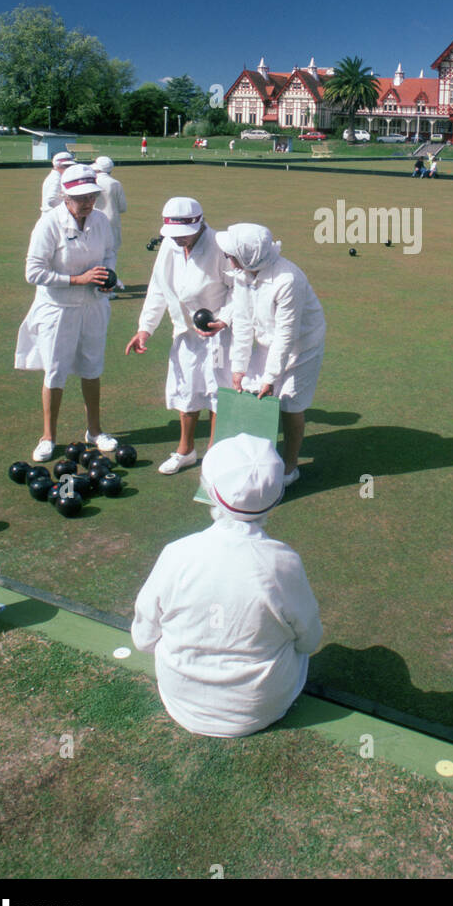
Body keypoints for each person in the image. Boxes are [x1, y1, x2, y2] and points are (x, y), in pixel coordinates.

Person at [131, 433, 322, 738]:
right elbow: (309, 642)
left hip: (181, 699)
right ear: (277, 496)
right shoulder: (284, 562)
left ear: (209, 490)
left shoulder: (177, 553)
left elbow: (143, 639)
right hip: (262, 705)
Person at [15, 163, 118, 462]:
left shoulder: (99, 220)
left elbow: (109, 252)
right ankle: (48, 436)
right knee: (56, 370)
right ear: (65, 197)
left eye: (92, 196)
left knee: (92, 367)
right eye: (81, 197)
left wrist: (107, 277)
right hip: (57, 310)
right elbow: (33, 272)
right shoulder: (48, 224)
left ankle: (95, 431)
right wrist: (77, 280)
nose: (88, 202)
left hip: (94, 306)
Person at [125, 198, 234, 474]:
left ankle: (214, 452)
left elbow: (239, 289)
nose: (178, 240)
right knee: (186, 389)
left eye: (183, 234)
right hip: (185, 332)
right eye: (173, 235)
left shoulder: (221, 247)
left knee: (218, 392)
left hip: (218, 333)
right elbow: (158, 287)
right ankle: (185, 450)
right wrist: (145, 328)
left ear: (199, 224)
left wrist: (224, 319)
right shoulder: (171, 245)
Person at [220, 223, 325, 487]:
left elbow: (286, 335)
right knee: (253, 390)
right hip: (270, 340)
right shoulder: (242, 273)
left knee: (290, 403)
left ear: (249, 255)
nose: (227, 259)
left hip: (303, 345)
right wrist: (238, 368)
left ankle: (290, 467)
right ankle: (256, 458)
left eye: (230, 254)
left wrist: (271, 376)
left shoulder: (288, 279)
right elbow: (243, 322)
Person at [92, 157, 127, 293]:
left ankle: (103, 284)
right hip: (111, 222)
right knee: (110, 254)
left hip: (93, 220)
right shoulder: (115, 183)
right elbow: (123, 207)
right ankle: (108, 286)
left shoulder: (92, 180)